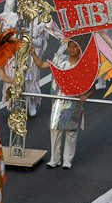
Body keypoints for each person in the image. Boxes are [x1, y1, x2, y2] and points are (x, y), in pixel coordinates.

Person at [32, 40, 95, 170]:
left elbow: (92, 86)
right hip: (58, 101)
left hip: (74, 103)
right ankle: (54, 159)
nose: (71, 49)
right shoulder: (59, 60)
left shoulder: (83, 66)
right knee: (55, 129)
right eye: (69, 46)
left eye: (75, 47)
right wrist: (33, 54)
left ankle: (67, 160)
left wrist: (86, 96)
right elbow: (41, 65)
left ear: (79, 49)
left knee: (71, 132)